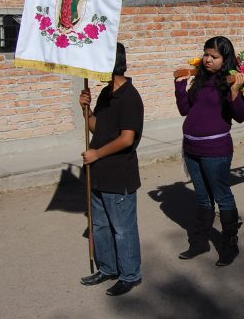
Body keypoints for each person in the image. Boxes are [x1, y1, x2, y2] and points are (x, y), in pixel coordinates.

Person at [174, 36, 244, 266]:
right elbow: (184, 110)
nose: (207, 59)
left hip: (215, 150)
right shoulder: (200, 80)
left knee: (222, 196)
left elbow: (241, 116)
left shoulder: (231, 81)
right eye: (206, 54)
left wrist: (236, 90)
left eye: (214, 56)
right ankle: (200, 242)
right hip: (191, 148)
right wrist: (179, 85)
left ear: (225, 59)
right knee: (203, 197)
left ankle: (229, 245)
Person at [79, 42, 145, 296]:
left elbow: (127, 138)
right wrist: (86, 110)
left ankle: (130, 274)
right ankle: (107, 268)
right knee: (101, 226)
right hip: (98, 173)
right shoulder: (107, 93)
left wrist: (96, 153)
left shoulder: (130, 97)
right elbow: (99, 129)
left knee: (122, 229)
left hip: (119, 175)